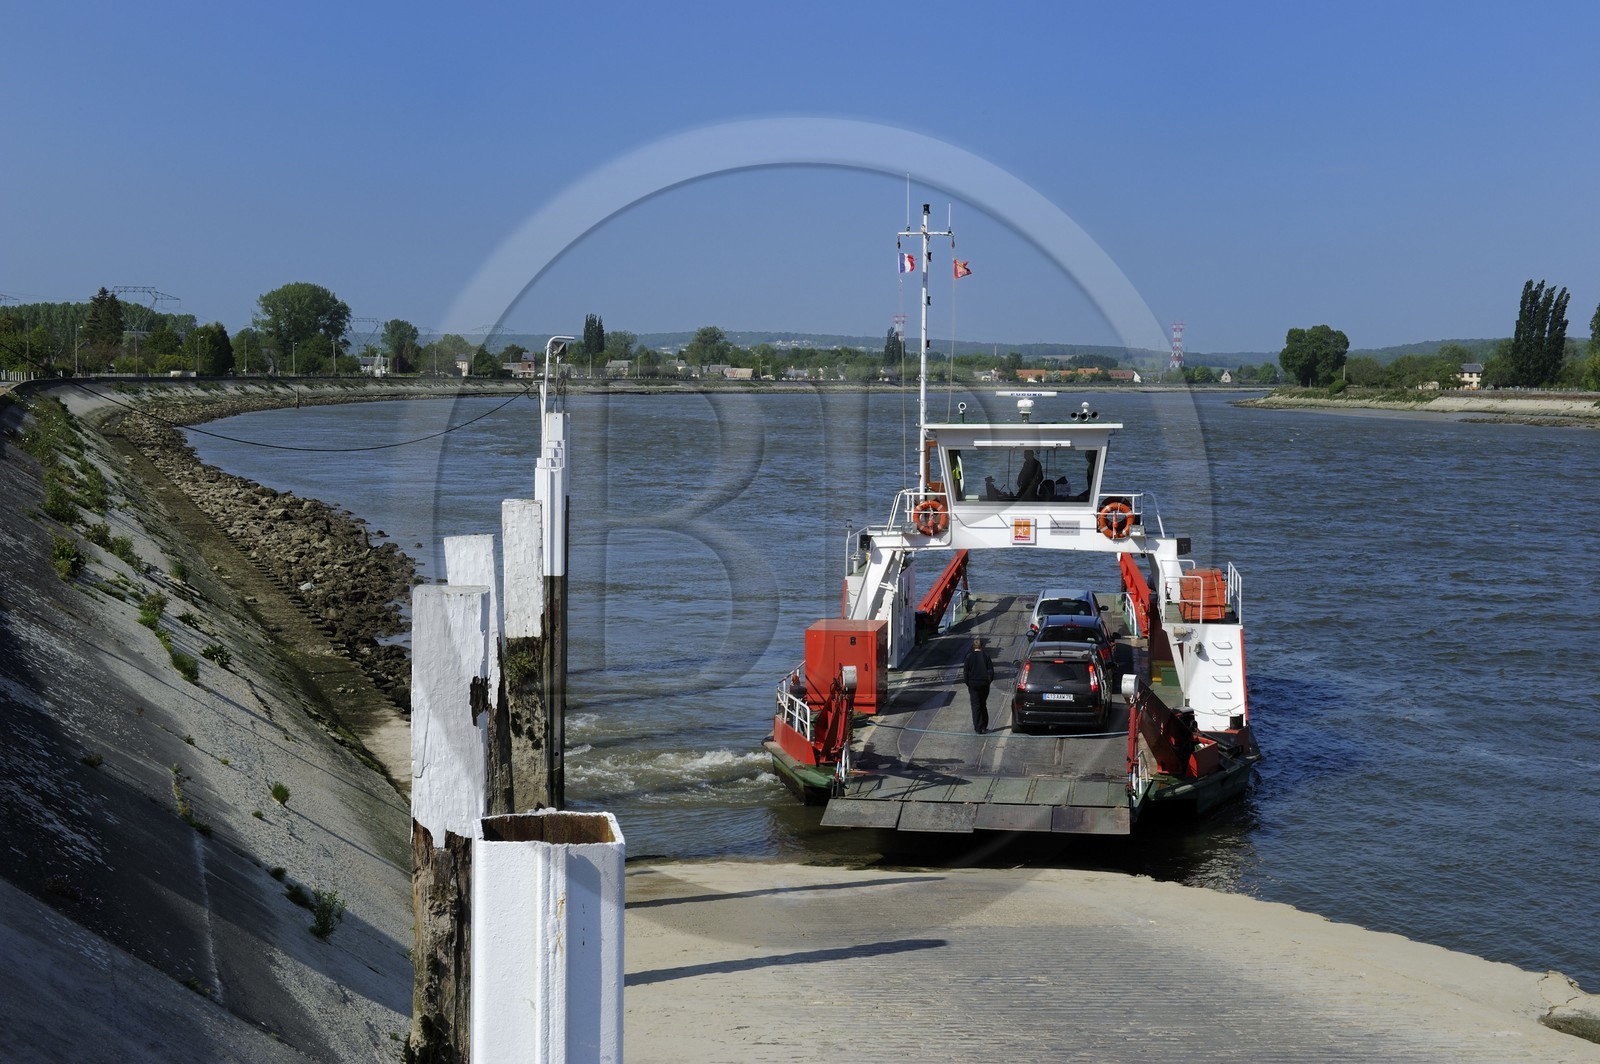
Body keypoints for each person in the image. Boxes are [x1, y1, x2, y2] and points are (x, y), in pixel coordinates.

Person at [962, 637, 995, 734]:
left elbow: (965, 672)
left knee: (975, 706)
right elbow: (991, 671)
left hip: (973, 684)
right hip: (984, 683)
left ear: (973, 646)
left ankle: (978, 727)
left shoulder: (969, 657)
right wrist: (988, 681)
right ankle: (984, 726)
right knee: (983, 704)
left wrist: (968, 682)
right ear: (982, 646)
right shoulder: (986, 656)